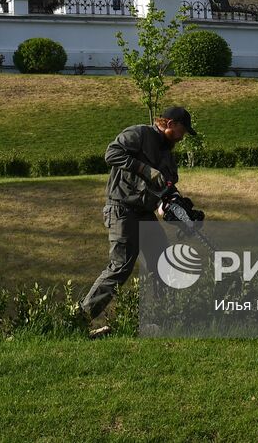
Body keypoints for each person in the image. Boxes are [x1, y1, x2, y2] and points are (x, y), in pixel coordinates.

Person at [79, 105, 195, 331]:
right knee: (121, 266)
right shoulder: (139, 134)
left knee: (163, 263)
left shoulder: (167, 155)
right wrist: (146, 170)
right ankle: (79, 320)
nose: (183, 137)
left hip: (145, 213)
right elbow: (111, 153)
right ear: (170, 124)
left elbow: (166, 195)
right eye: (182, 130)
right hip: (122, 209)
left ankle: (164, 319)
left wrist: (184, 211)